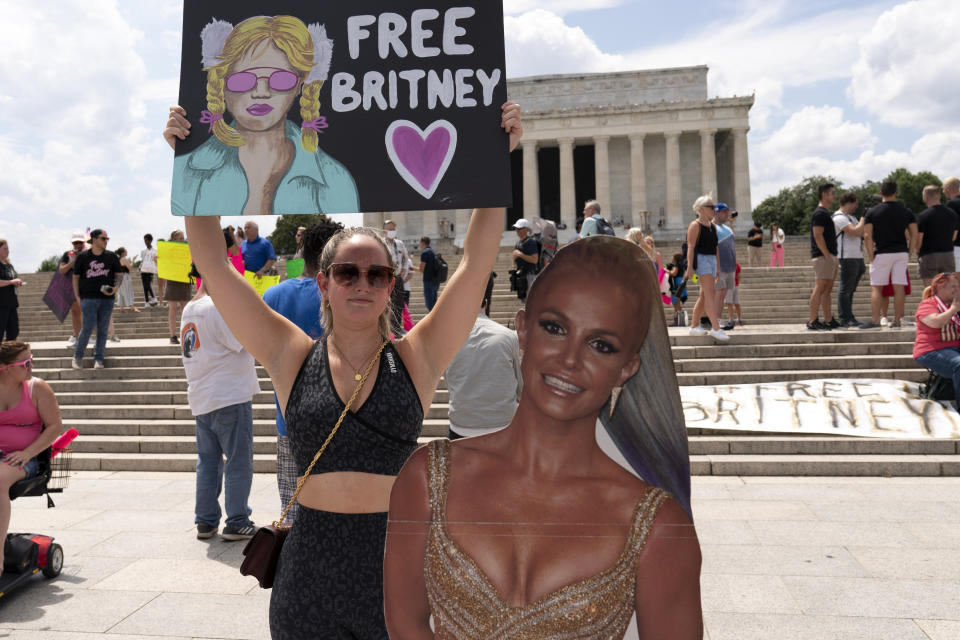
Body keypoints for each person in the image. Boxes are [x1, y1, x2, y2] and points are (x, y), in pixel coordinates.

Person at [166, 100, 523, 639]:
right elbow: (214, 263)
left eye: (377, 274)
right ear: (324, 283)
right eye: (347, 271)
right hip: (309, 562)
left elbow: (475, 263)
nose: (362, 282)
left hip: (396, 557)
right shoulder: (290, 354)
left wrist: (498, 162)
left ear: (390, 287)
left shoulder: (417, 355)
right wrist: (192, 163)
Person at [384, 236, 701, 639]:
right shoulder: (426, 477)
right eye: (555, 328)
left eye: (601, 345)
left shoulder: (660, 527)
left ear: (627, 368)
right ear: (522, 330)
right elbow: (405, 623)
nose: (570, 360)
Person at [170, 15, 359, 215]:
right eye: (243, 80)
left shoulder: (335, 179)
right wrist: (182, 144)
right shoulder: (187, 171)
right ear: (221, 84)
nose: (261, 92)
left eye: (281, 79)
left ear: (299, 85)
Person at [263, 221, 340, 525]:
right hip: (342, 421)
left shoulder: (274, 296)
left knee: (294, 521)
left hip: (290, 422)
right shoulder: (343, 297)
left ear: (302, 252)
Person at [181, 264, 259, 541]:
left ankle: (205, 520)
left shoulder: (190, 307)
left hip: (202, 395)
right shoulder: (217, 306)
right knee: (238, 461)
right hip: (228, 394)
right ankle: (237, 520)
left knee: (209, 462)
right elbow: (245, 341)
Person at [0, 341, 65, 575]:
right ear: (6, 368)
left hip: (25, 459)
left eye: (32, 359)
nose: (32, 366)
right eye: (26, 363)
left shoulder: (37, 388)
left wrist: (28, 452)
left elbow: (55, 426)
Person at [444, 273, 522, 440]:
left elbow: (451, 382)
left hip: (460, 426)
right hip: (503, 426)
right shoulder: (509, 336)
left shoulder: (448, 340)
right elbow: (521, 388)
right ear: (486, 304)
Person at [862, 180, 918, 329]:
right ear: (896, 193)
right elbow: (914, 233)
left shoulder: (872, 212)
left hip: (882, 252)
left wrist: (870, 254)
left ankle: (875, 320)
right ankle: (897, 320)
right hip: (901, 252)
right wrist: (910, 250)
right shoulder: (906, 211)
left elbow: (867, 235)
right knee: (899, 287)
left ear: (881, 193)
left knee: (876, 287)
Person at [72, 229, 120, 370]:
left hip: (107, 299)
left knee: (103, 330)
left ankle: (98, 359)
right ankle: (77, 357)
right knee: (87, 328)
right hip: (88, 297)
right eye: (103, 238)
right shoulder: (82, 257)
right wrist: (77, 296)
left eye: (107, 239)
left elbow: (119, 275)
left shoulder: (112, 256)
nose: (106, 241)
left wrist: (114, 289)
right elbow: (75, 278)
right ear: (94, 239)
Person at [913, 273, 960, 408]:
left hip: (954, 348)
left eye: (957, 286)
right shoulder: (927, 304)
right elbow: (935, 323)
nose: (957, 290)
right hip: (931, 350)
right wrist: (953, 309)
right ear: (941, 287)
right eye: (953, 286)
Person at [686, 196, 729, 340]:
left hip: (711, 260)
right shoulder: (695, 225)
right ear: (702, 209)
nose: (714, 210)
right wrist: (690, 267)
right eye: (712, 207)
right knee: (710, 294)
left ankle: (693, 326)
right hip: (702, 260)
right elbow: (691, 247)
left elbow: (715, 248)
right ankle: (715, 328)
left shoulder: (712, 226)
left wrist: (718, 266)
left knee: (704, 296)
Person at [808, 183, 840, 330]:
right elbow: (817, 235)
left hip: (828, 256)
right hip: (823, 256)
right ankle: (813, 320)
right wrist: (827, 255)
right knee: (820, 288)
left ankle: (828, 319)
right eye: (832, 193)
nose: (834, 196)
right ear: (824, 195)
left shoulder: (824, 212)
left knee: (826, 290)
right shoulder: (820, 213)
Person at [833, 192, 866, 327]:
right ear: (848, 202)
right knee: (845, 288)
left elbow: (862, 232)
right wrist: (864, 217)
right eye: (855, 204)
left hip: (857, 256)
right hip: (846, 256)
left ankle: (849, 316)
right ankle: (845, 318)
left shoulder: (851, 217)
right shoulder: (838, 217)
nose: (856, 207)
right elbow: (856, 231)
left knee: (850, 289)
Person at [916, 184, 958, 286]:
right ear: (939, 196)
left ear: (925, 197)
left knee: (930, 289)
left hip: (929, 255)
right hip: (948, 255)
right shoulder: (952, 214)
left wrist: (918, 252)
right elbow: (954, 236)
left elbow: (919, 239)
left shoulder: (923, 215)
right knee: (948, 288)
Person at [164, 230, 193, 345]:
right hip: (172, 281)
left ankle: (186, 334)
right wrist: (157, 260)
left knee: (185, 310)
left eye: (183, 237)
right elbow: (163, 265)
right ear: (175, 239)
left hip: (184, 280)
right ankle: (173, 336)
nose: (183, 239)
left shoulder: (187, 248)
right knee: (173, 309)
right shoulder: (168, 250)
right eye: (181, 238)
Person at [383, 220, 412, 334]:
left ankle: (396, 328)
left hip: (398, 278)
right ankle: (384, 328)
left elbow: (405, 257)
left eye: (393, 229)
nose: (392, 231)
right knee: (385, 304)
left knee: (399, 304)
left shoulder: (399, 243)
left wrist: (405, 268)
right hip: (386, 278)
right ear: (384, 231)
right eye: (389, 229)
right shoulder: (381, 243)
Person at [59, 233, 88, 345]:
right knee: (75, 313)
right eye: (75, 242)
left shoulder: (88, 254)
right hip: (72, 287)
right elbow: (61, 270)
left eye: (80, 242)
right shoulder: (67, 254)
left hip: (86, 286)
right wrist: (71, 263)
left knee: (88, 312)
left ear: (83, 243)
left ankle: (87, 336)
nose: (77, 244)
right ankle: (78, 337)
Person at [714, 203, 738, 331]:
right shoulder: (712, 227)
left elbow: (732, 246)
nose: (726, 214)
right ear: (716, 213)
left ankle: (717, 318)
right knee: (719, 293)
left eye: (727, 212)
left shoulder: (727, 229)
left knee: (723, 294)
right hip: (720, 267)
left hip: (730, 266)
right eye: (724, 212)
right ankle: (716, 320)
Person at [511, 218, 539, 300]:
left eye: (520, 228)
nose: (517, 230)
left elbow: (535, 260)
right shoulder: (518, 243)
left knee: (531, 300)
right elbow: (514, 261)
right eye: (516, 228)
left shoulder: (531, 242)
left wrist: (521, 255)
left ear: (526, 229)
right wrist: (514, 257)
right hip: (521, 276)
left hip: (530, 275)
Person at [0, 240, 21, 343]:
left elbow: (13, 279)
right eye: (5, 248)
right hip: (1, 304)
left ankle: (9, 356)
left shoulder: (9, 266)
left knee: (14, 331)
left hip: (12, 303)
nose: (8, 251)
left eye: (8, 248)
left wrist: (17, 282)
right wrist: (11, 282)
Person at [114, 247, 140, 313]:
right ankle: (132, 307)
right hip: (125, 277)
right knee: (128, 291)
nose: (127, 252)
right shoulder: (123, 259)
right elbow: (130, 267)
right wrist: (133, 260)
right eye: (125, 251)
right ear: (123, 253)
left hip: (118, 277)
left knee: (121, 292)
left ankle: (122, 308)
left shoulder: (117, 259)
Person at [418, 236, 439, 312]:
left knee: (429, 304)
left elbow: (421, 269)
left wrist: (414, 268)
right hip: (435, 281)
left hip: (428, 281)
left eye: (420, 242)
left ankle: (434, 321)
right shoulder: (434, 252)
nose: (419, 244)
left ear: (423, 243)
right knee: (434, 302)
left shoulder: (425, 253)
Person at [944, 177, 960, 266]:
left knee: (956, 279)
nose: (943, 192)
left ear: (948, 189)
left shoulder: (951, 204)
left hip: (957, 247)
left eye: (943, 189)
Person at [139, 234, 159, 307]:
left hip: (151, 270)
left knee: (148, 284)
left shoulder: (155, 251)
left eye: (146, 240)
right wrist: (140, 266)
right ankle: (147, 302)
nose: (145, 242)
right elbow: (143, 260)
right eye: (144, 240)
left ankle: (153, 297)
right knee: (145, 286)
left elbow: (156, 260)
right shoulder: (143, 251)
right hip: (143, 270)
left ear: (150, 240)